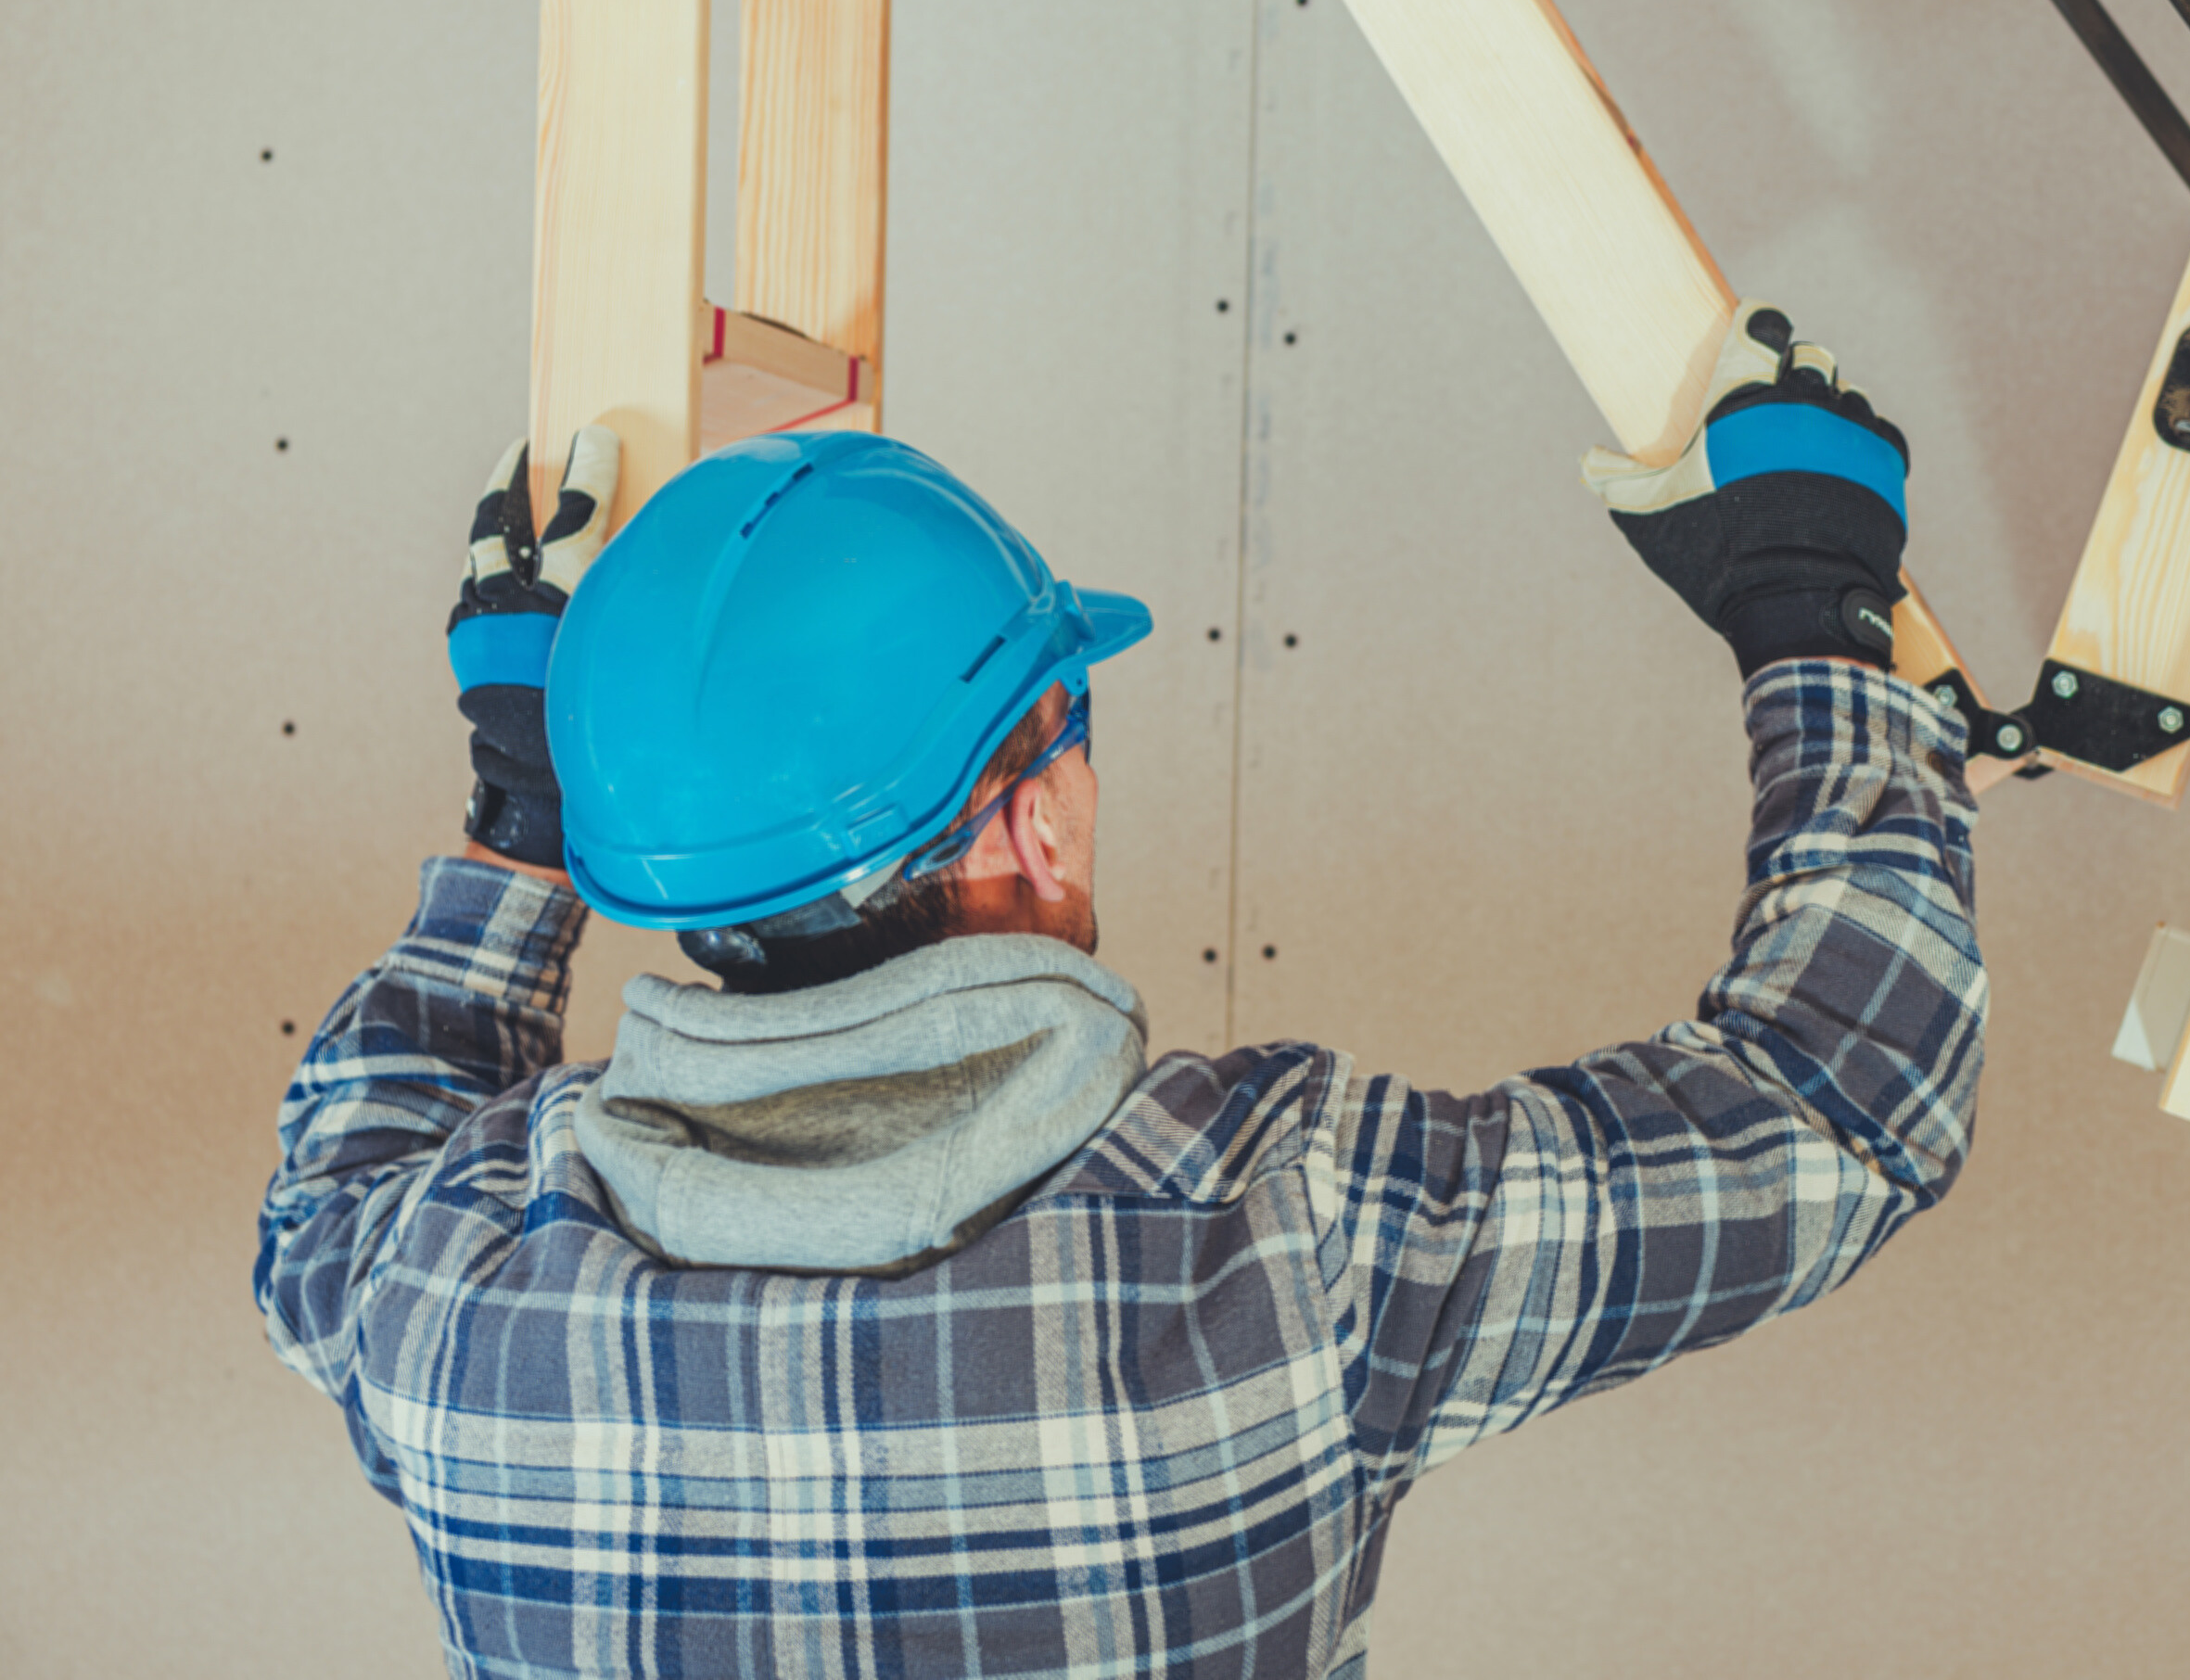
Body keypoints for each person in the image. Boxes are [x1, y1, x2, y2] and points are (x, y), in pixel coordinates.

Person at [254, 304, 1983, 1679]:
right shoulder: (1285, 1243)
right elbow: (1836, 1107)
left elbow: (334, 1185)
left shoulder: (454, 1313)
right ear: (1038, 811)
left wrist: (522, 816)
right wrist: (1810, 615)